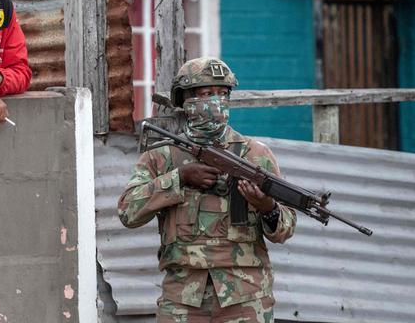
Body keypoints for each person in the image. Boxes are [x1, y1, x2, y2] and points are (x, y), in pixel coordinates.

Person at [118, 57, 296, 323]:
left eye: (223, 94)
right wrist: (179, 178)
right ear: (186, 100)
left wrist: (266, 207)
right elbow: (128, 212)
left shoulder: (254, 154)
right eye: (206, 94)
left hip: (245, 298)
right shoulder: (162, 156)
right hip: (182, 298)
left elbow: (285, 228)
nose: (216, 102)